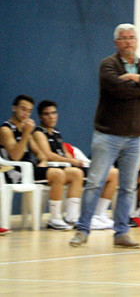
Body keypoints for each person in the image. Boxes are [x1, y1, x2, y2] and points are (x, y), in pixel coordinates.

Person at [69, 23, 140, 248]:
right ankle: (82, 230)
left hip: (135, 138)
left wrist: (136, 79)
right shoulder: (108, 65)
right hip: (108, 135)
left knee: (129, 186)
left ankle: (121, 233)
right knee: (94, 183)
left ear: (137, 41)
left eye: (132, 37)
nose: (129, 41)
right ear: (116, 42)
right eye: (124, 38)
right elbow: (117, 89)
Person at [0, 95, 84, 230]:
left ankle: (71, 217)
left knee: (76, 174)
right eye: (23, 109)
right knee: (57, 174)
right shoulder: (6, 129)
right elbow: (15, 156)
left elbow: (39, 154)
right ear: (14, 108)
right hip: (14, 172)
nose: (26, 113)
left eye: (29, 111)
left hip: (30, 170)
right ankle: (54, 219)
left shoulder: (24, 129)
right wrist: (27, 133)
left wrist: (43, 162)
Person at [33, 100, 119, 230]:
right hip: (52, 168)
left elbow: (64, 152)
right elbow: (48, 155)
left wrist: (74, 160)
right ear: (40, 116)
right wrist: (72, 162)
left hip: (66, 167)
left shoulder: (56, 132)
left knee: (113, 173)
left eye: (54, 113)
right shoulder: (38, 132)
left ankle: (98, 214)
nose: (51, 116)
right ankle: (67, 217)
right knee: (76, 173)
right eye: (47, 114)